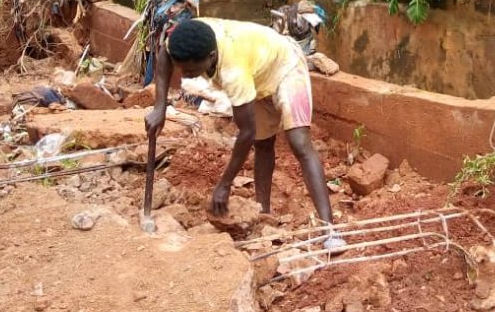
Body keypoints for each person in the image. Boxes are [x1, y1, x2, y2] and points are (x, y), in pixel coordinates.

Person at [145, 18, 345, 250]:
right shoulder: (185, 38)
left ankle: (328, 229)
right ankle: (263, 214)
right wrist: (159, 106)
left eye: (191, 69)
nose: (186, 75)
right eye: (182, 69)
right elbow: (164, 56)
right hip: (257, 74)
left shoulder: (233, 72)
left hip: (285, 67)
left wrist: (225, 184)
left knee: (299, 142)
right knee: (263, 143)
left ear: (211, 57)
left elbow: (245, 132)